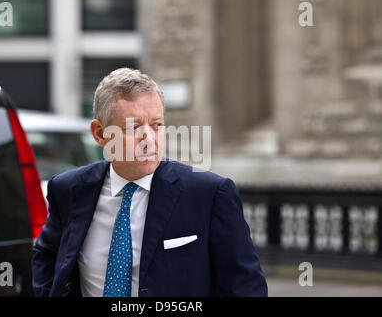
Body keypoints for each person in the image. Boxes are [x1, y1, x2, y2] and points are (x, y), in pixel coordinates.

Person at [32, 68, 268, 297]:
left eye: (157, 125)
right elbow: (46, 256)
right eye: (134, 127)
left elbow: (246, 288)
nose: (149, 139)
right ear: (100, 133)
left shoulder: (210, 194)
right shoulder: (68, 190)